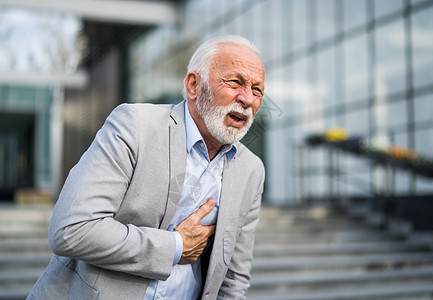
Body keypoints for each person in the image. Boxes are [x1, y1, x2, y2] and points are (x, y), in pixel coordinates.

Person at [27, 35, 265, 300]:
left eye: (257, 90)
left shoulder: (251, 170)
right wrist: (175, 246)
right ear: (194, 85)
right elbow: (71, 230)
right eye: (235, 82)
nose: (247, 98)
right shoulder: (134, 126)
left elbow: (234, 279)